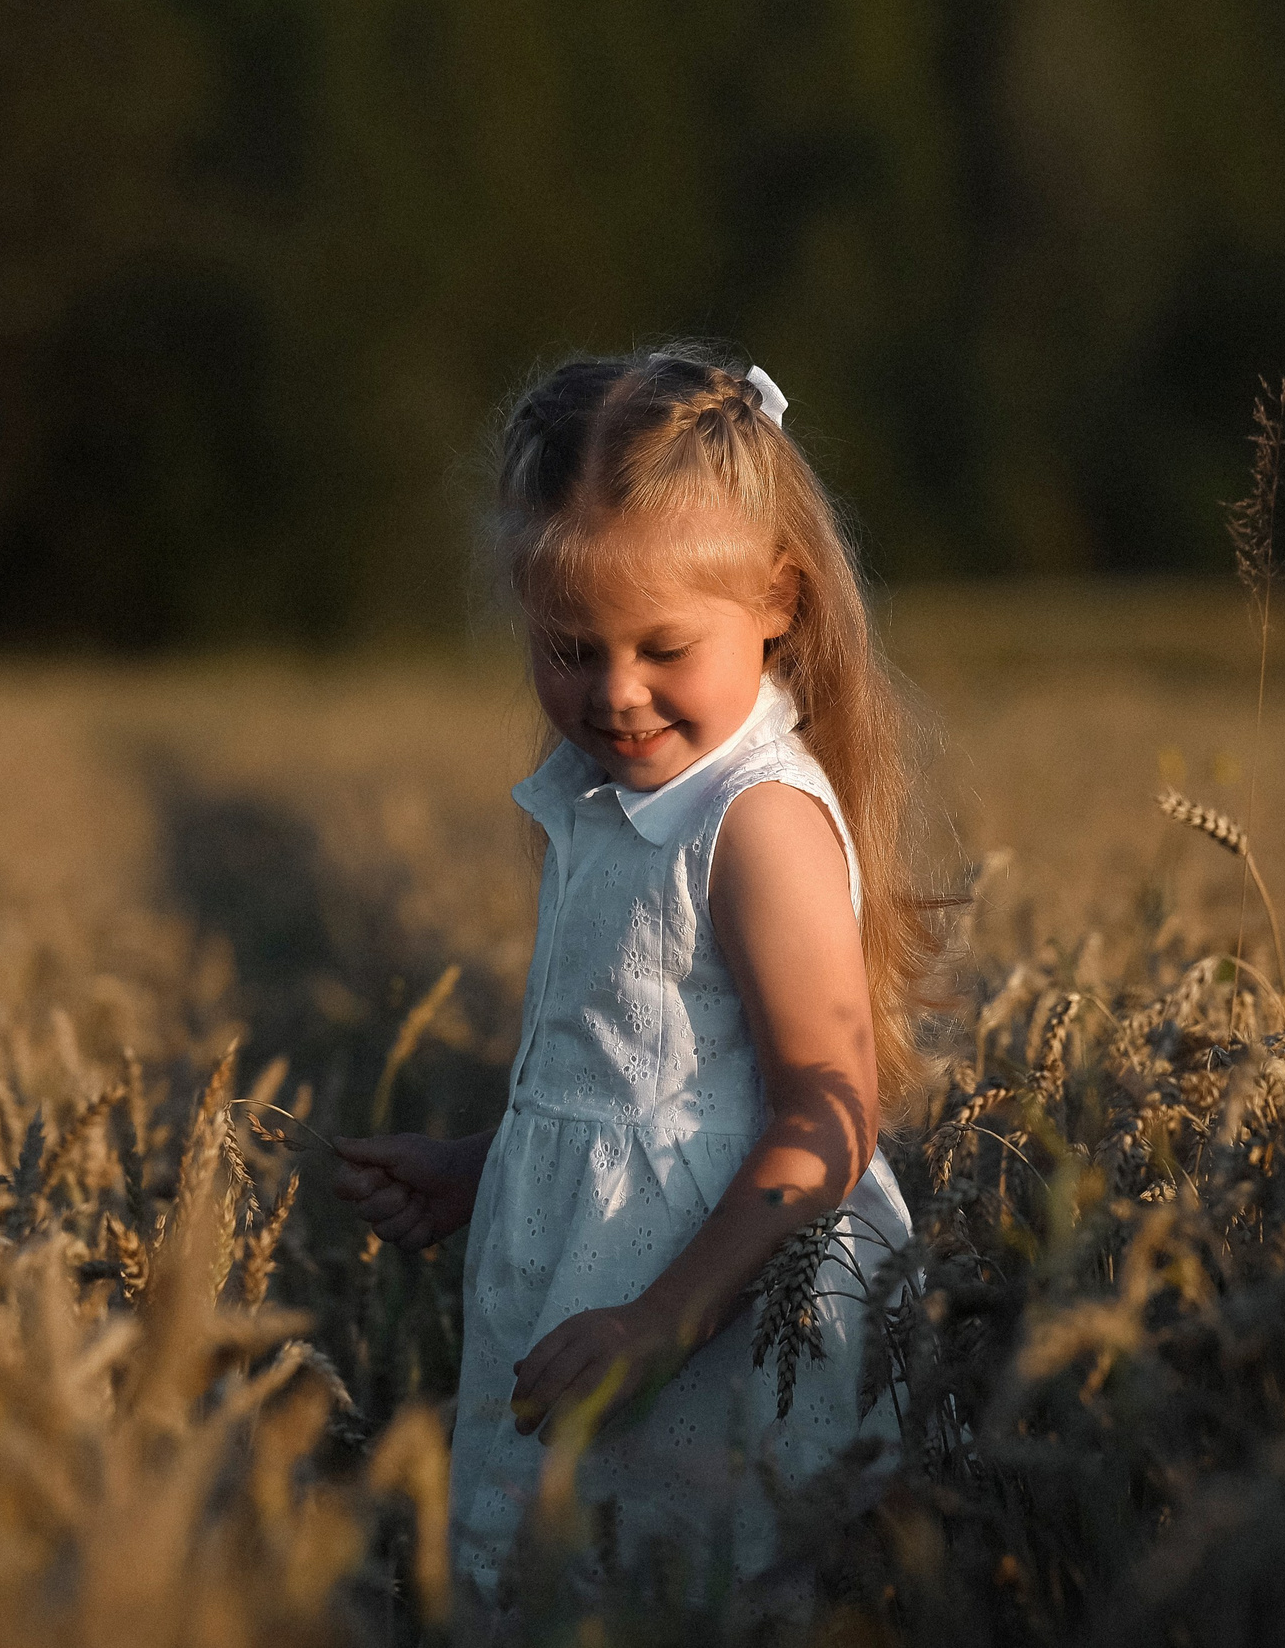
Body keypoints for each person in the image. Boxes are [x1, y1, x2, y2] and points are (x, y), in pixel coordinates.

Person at [330, 345, 943, 1629]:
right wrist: (477, 1163)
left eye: (662, 645)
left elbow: (826, 1117)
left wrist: (664, 1318)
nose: (613, 692)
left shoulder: (756, 820)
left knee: (695, 1590)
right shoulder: (611, 797)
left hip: (718, 1317)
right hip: (590, 1288)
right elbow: (633, 1071)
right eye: (568, 648)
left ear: (776, 597)